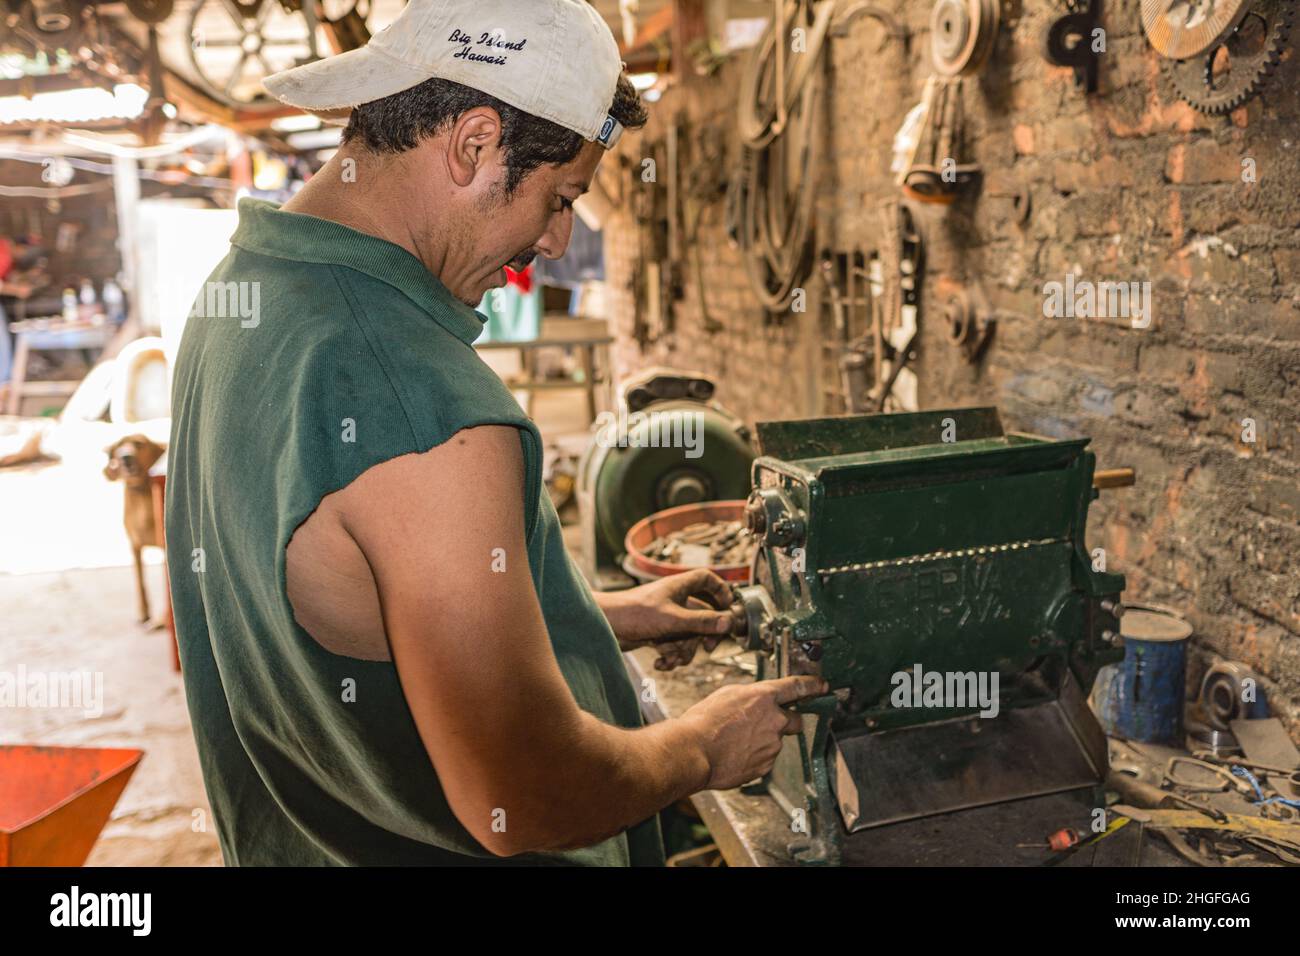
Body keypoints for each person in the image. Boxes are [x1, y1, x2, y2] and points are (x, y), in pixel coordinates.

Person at [166, 0, 824, 866]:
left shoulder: (242, 293)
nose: (555, 242)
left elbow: (360, 603)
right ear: (474, 143)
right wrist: (703, 746)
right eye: (560, 198)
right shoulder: (419, 402)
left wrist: (596, 617)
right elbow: (528, 795)